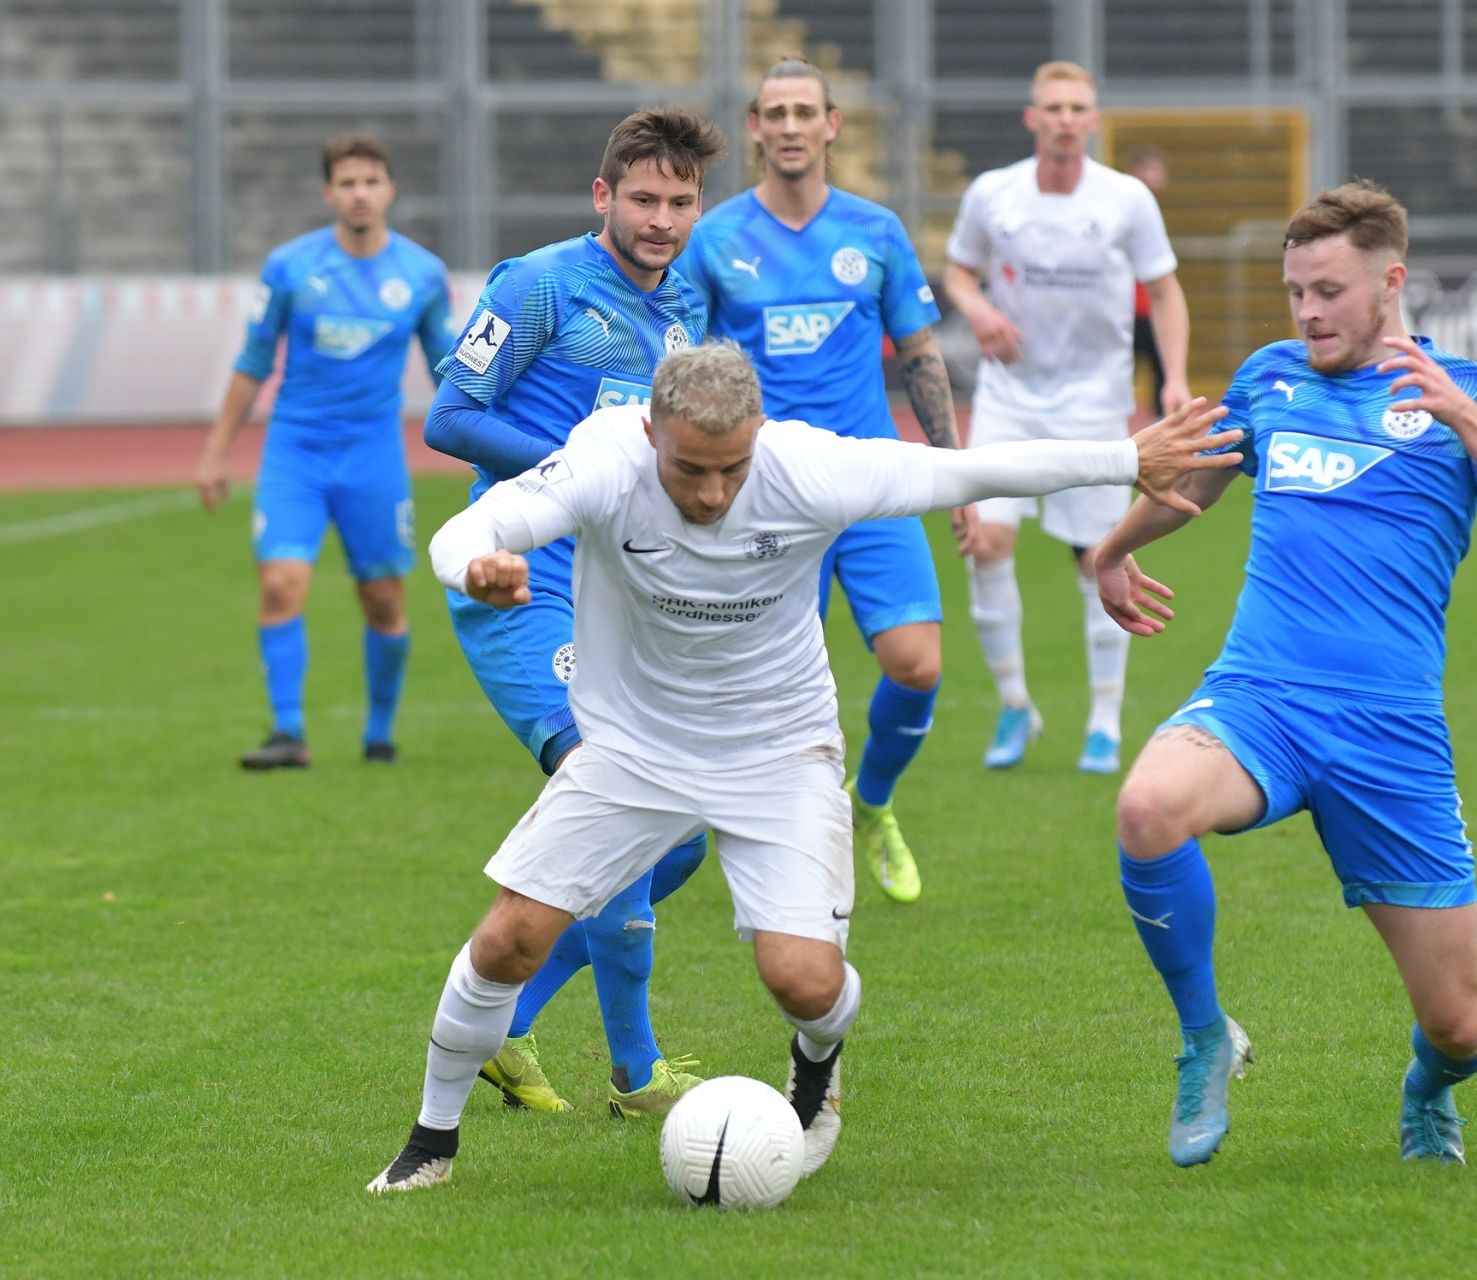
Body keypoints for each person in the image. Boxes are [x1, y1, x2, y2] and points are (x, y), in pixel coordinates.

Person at [365, 340, 1244, 1194]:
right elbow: (476, 523)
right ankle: (429, 1144)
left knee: (805, 983)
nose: (712, 492)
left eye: (732, 469)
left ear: (759, 436)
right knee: (507, 939)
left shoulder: (808, 468)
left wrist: (1124, 456)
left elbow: (969, 472)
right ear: (650, 437)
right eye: (690, 470)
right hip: (633, 750)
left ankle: (816, 1068)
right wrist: (472, 566)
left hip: (780, 752)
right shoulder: (605, 457)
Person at [1090, 181, 1477, 1169]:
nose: (1308, 313)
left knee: (1460, 1026)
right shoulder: (1272, 378)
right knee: (1146, 807)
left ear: (1390, 282)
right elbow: (1193, 483)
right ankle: (1203, 1037)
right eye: (1295, 293)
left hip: (1389, 732)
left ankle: (1428, 1088)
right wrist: (1110, 550)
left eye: (1328, 291)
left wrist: (1462, 419)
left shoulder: (1470, 394)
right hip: (1262, 698)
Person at [420, 108, 721, 1120]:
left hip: (616, 593)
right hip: (519, 578)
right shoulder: (537, 283)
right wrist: (571, 475)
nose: (662, 219)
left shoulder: (686, 305)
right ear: (604, 196)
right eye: (644, 198)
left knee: (680, 837)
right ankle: (636, 1073)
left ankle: (508, 1020)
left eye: (681, 202)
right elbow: (450, 416)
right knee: (621, 791)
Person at [677, 56, 970, 905]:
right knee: (767, 691)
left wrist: (951, 476)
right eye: (777, 112)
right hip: (764, 494)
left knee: (917, 665)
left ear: (832, 125)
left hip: (870, 482)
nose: (793, 125)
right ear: (757, 128)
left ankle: (871, 804)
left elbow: (919, 354)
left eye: (807, 111)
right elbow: (687, 368)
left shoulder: (875, 231)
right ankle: (780, 853)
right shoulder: (717, 238)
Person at [943, 60, 1193, 776]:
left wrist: (1173, 378)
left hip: (1092, 400)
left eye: (1076, 106)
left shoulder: (1126, 200)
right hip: (1009, 398)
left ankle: (1105, 722)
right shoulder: (994, 193)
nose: (1063, 117)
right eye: (1051, 106)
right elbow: (959, 269)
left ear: (1093, 120)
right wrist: (980, 307)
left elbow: (1166, 293)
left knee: (1098, 558)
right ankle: (1016, 706)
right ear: (1032, 118)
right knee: (985, 542)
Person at [195, 134, 454, 769]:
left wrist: (490, 440)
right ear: (327, 194)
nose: (359, 193)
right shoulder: (289, 267)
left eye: (371, 181)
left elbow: (450, 367)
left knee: (384, 599)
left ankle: (379, 734)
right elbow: (255, 360)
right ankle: (288, 734)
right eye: (347, 183)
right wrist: (215, 452)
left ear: (389, 190)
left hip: (372, 455)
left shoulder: (421, 275)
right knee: (281, 583)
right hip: (296, 452)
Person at [1127, 148, 1172, 411]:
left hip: (1152, 310)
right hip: (1127, 310)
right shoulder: (1125, 213)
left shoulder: (1155, 217)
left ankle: (1160, 419)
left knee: (1163, 371)